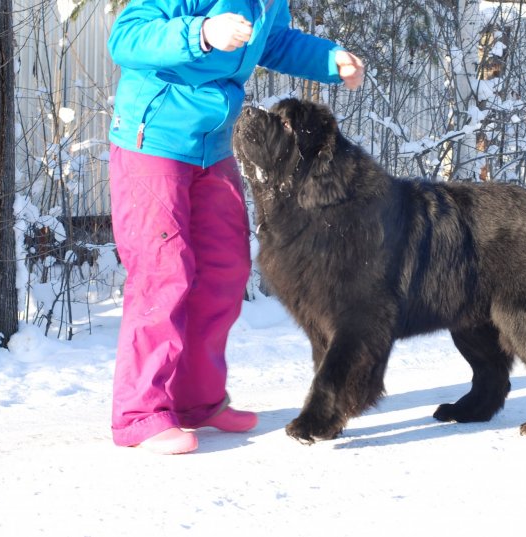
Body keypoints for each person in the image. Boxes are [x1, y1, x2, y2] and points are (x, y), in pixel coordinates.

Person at [107, 0, 364, 454]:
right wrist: (201, 32)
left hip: (212, 147)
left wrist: (329, 59)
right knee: (163, 273)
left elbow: (276, 41)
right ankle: (140, 412)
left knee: (225, 269)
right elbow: (126, 37)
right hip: (155, 142)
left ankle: (197, 400)